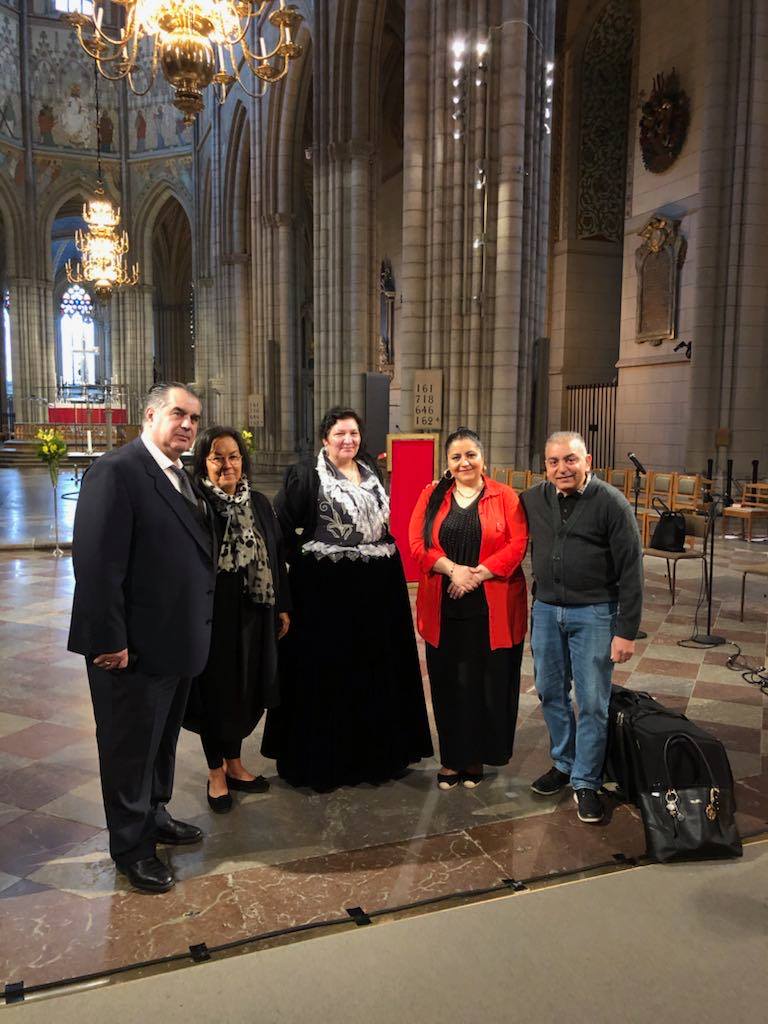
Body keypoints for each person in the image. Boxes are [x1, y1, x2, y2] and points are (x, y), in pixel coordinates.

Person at [68, 383, 216, 893]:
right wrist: (108, 639)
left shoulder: (179, 475)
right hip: (129, 648)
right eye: (178, 414)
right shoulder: (117, 471)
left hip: (172, 641)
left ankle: (154, 814)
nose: (188, 426)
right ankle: (132, 847)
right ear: (150, 414)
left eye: (195, 418)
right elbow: (95, 563)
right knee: (129, 749)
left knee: (161, 743)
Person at [261, 406, 433, 789]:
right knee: (328, 671)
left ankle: (377, 754)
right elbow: (281, 526)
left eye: (353, 433)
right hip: (326, 593)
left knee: (374, 668)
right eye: (340, 433)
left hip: (375, 589)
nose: (348, 440)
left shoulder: (372, 472)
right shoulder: (306, 474)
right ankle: (327, 759)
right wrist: (300, 565)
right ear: (325, 438)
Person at [521, 431, 643, 824]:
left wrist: (626, 629)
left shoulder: (610, 502)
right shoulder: (534, 499)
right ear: (545, 466)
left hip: (594, 613)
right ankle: (564, 762)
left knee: (591, 701)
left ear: (587, 460)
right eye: (554, 462)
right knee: (551, 692)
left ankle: (586, 781)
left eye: (570, 460)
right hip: (545, 611)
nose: (562, 469)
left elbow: (631, 569)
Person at [408, 428, 529, 789]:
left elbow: (518, 543)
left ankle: (475, 759)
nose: (464, 463)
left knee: (484, 686)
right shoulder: (432, 496)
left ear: (483, 458)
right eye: (456, 457)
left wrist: (477, 575)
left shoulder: (505, 496)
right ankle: (451, 760)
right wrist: (453, 570)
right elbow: (417, 542)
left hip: (491, 608)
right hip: (444, 607)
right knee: (447, 685)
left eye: (470, 455)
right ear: (447, 463)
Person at [185, 426, 291, 813]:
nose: (227, 464)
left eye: (233, 456)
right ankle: (215, 771)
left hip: (254, 609)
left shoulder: (259, 503)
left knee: (245, 686)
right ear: (203, 463)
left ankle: (235, 762)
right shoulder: (196, 504)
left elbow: (276, 556)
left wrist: (281, 604)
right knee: (214, 692)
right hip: (213, 613)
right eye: (217, 457)